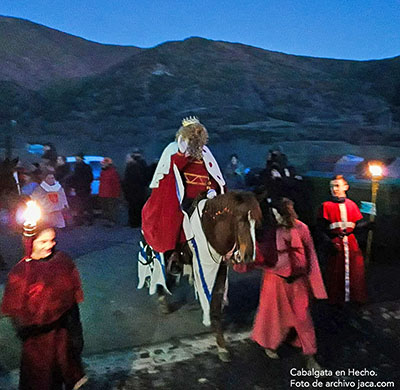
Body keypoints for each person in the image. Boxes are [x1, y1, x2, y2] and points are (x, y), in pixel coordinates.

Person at [239, 198, 327, 369]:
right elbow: (255, 257)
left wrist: (316, 288)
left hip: (298, 284)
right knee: (273, 317)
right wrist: (241, 260)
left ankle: (310, 355)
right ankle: (269, 343)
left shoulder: (302, 228)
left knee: (304, 319)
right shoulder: (269, 233)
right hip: (275, 283)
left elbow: (311, 257)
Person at [1, 226, 87, 390]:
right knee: (41, 378)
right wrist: (27, 332)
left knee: (66, 370)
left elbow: (73, 298)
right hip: (38, 340)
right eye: (43, 241)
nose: (50, 245)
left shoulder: (62, 261)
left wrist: (75, 331)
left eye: (52, 240)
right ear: (30, 243)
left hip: (63, 333)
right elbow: (14, 309)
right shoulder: (21, 272)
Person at [141, 116, 226, 255]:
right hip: (185, 197)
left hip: (206, 195)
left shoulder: (205, 151)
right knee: (175, 217)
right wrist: (181, 155)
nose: (195, 136)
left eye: (198, 133)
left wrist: (213, 189)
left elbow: (212, 173)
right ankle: (176, 250)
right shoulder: (174, 148)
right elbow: (170, 174)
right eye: (192, 133)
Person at [317, 175, 369, 305]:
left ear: (345, 187)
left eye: (337, 185)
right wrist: (328, 242)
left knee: (354, 271)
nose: (334, 189)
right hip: (336, 244)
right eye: (332, 186)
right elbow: (320, 228)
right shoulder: (326, 206)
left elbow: (354, 227)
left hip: (351, 244)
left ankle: (355, 298)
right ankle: (335, 300)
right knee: (335, 273)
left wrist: (367, 226)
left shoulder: (351, 205)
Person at [122, 149, 148, 228]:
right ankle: (135, 222)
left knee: (134, 207)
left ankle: (134, 223)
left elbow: (130, 180)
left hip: (134, 191)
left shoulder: (132, 167)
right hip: (137, 190)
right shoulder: (140, 164)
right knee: (136, 207)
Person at [67, 153, 93, 226]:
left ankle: (86, 220)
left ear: (81, 159)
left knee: (85, 205)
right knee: (81, 205)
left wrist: (82, 184)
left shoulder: (85, 167)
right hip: (81, 189)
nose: (76, 159)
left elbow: (89, 178)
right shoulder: (78, 167)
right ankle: (82, 220)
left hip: (83, 188)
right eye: (76, 158)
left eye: (77, 158)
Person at [99, 157, 121, 227]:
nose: (102, 165)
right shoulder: (103, 172)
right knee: (105, 208)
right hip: (103, 193)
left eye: (103, 164)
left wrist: (116, 194)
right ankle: (107, 221)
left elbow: (116, 184)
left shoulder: (113, 172)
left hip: (110, 194)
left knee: (111, 208)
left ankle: (112, 221)